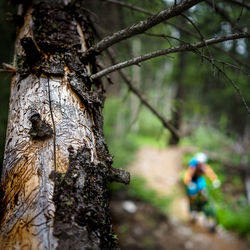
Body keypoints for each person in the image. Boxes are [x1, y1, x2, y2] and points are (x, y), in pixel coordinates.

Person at [183, 152, 220, 217]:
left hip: (199, 179)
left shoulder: (204, 166)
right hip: (192, 181)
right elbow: (188, 175)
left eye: (202, 162)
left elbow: (210, 173)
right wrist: (188, 183)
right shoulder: (193, 166)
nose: (201, 164)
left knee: (204, 191)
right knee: (192, 194)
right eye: (200, 162)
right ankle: (192, 208)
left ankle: (202, 207)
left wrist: (215, 180)